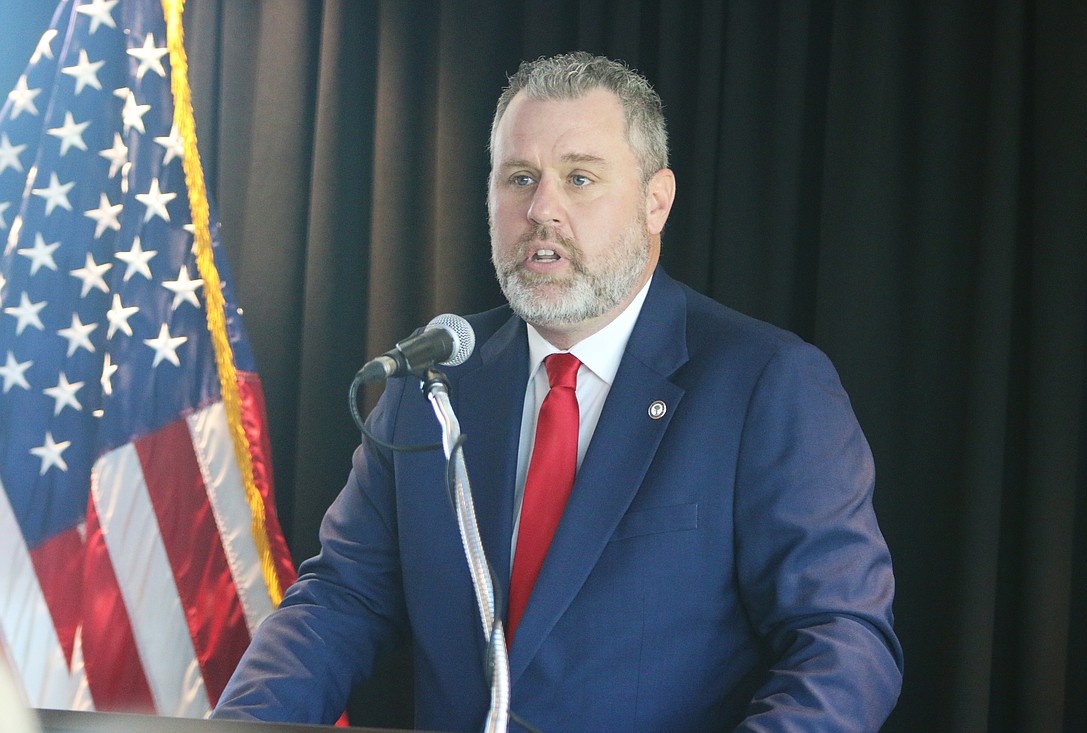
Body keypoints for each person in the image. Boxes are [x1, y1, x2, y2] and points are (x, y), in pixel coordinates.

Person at [214, 51, 903, 732]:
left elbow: (842, 639)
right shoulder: (433, 378)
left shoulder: (766, 384)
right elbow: (342, 598)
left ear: (656, 201)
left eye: (579, 178)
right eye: (520, 178)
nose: (542, 209)